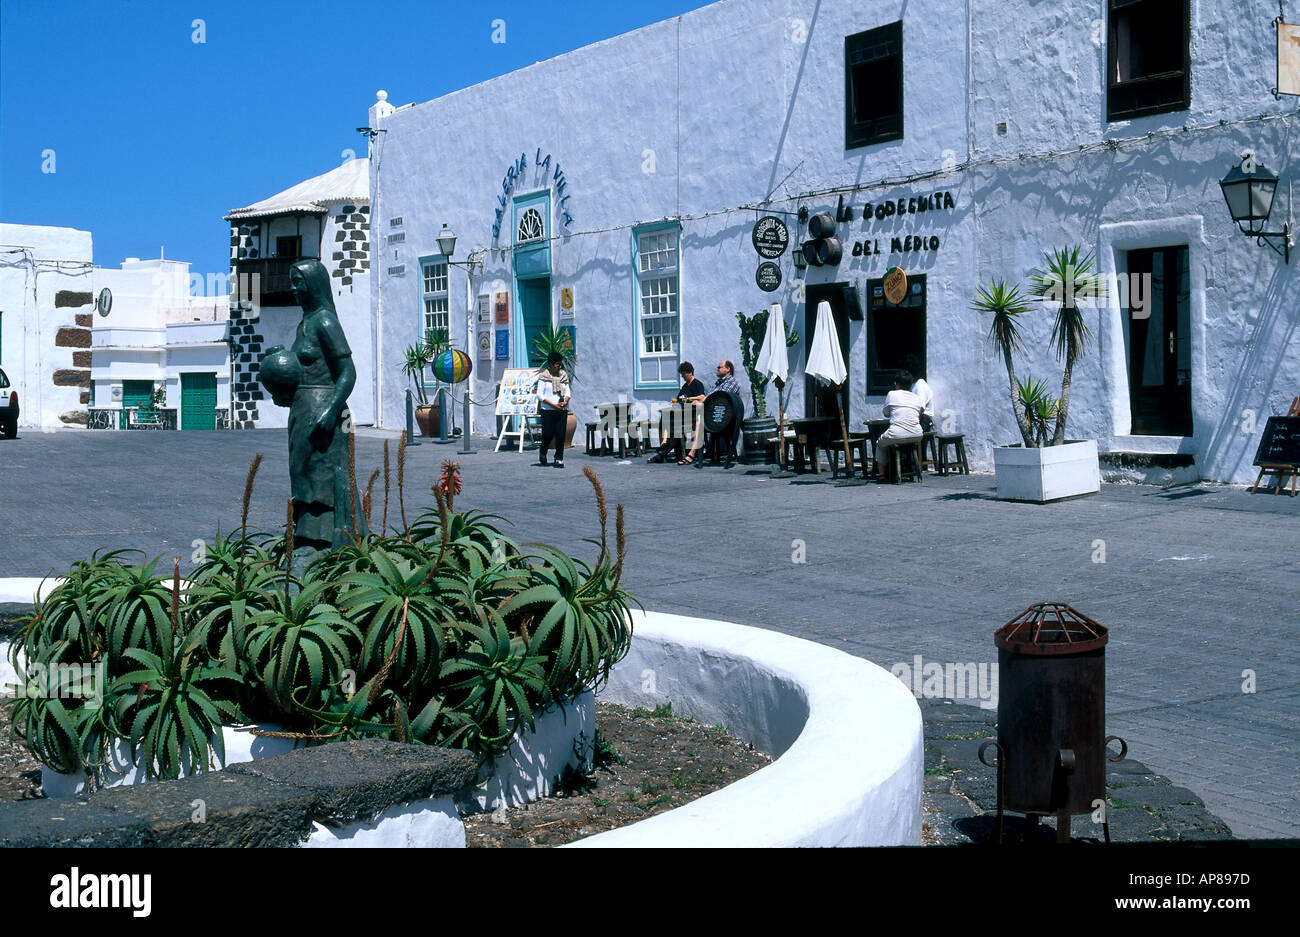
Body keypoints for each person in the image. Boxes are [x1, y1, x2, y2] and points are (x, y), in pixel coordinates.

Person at [259, 259, 364, 550]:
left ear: (313, 286)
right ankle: (306, 534)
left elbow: (348, 371)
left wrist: (331, 410)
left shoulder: (325, 321)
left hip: (324, 409)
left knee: (324, 473)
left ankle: (326, 541)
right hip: (303, 408)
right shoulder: (305, 323)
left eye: (298, 282)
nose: (293, 289)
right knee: (303, 471)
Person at [681, 360, 743, 466]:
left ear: (728, 369)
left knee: (699, 421)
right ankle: (693, 452)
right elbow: (708, 397)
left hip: (722, 419)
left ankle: (692, 453)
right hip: (712, 416)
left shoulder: (732, 382)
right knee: (696, 419)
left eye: (719, 367)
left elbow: (720, 400)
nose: (717, 369)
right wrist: (699, 401)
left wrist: (702, 403)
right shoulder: (717, 383)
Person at [647, 361, 706, 462]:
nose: (682, 377)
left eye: (683, 374)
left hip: (692, 414)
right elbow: (679, 398)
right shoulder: (685, 386)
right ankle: (664, 442)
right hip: (682, 413)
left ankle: (662, 451)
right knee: (665, 416)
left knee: (673, 426)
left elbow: (702, 396)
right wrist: (677, 401)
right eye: (681, 375)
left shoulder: (697, 384)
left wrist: (690, 399)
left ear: (690, 372)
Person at [875, 370, 924, 482]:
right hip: (917, 434)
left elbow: (886, 414)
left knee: (880, 443)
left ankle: (882, 474)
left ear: (897, 384)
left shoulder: (892, 394)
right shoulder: (916, 397)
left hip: (897, 434)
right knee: (899, 440)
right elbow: (919, 414)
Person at [535, 352, 571, 468]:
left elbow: (567, 391)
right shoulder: (543, 377)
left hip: (561, 410)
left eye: (560, 364)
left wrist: (565, 401)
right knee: (548, 434)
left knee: (561, 434)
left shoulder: (563, 376)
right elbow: (540, 395)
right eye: (556, 364)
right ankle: (543, 451)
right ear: (550, 364)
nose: (559, 367)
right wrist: (553, 405)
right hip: (548, 410)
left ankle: (558, 458)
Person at [902, 354, 935, 433]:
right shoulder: (912, 385)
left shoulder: (920, 385)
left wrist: (911, 424)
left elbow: (920, 409)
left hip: (923, 420)